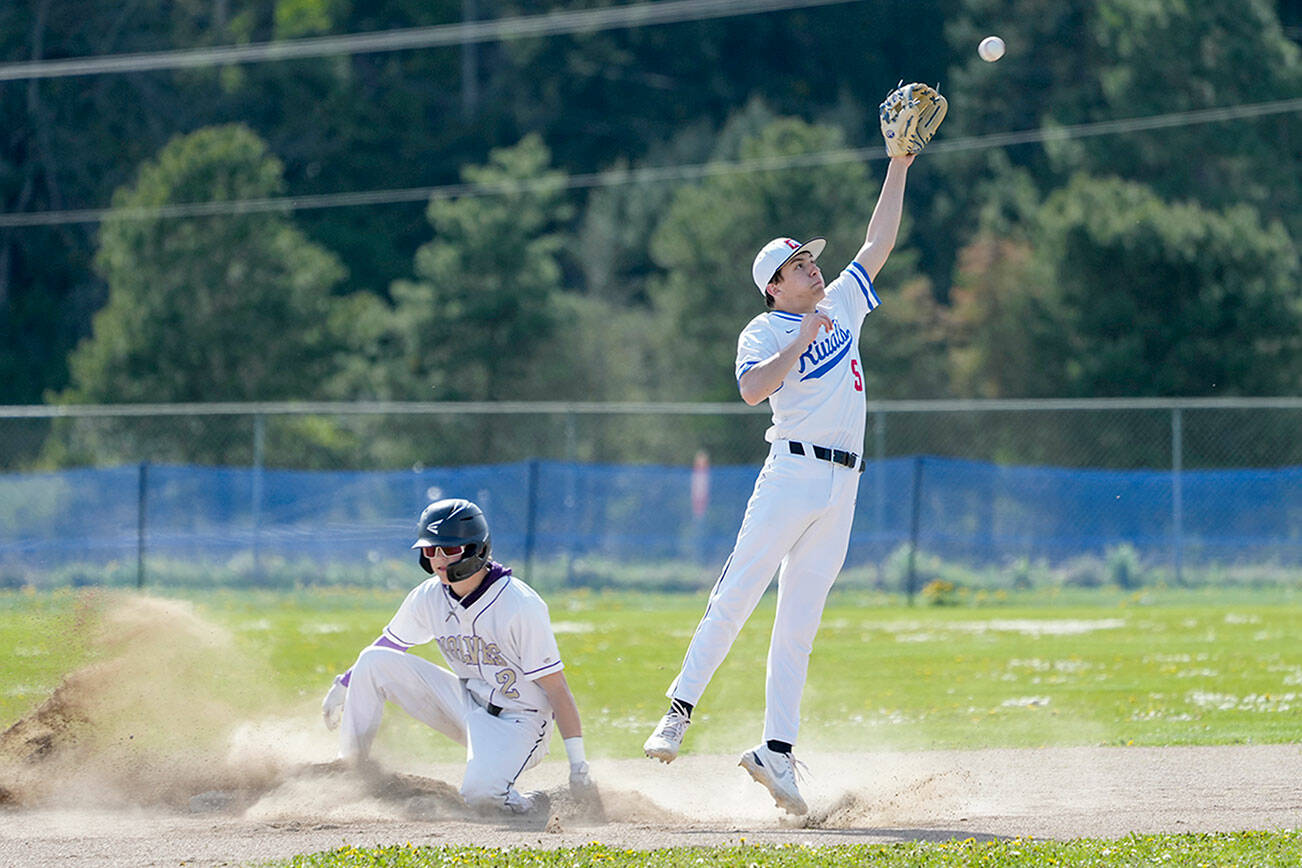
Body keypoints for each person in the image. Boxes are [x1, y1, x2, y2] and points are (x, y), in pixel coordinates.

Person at [643, 153, 917, 815]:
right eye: (799, 266)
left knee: (799, 626)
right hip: (791, 472)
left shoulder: (843, 300)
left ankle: (777, 753)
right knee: (736, 594)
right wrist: (800, 340)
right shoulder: (765, 328)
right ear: (774, 286)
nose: (814, 268)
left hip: (843, 485)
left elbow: (879, 241)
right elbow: (749, 389)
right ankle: (678, 711)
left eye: (812, 261)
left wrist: (899, 162)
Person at [321, 498, 592, 816]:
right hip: (464, 703)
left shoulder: (519, 605)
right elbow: (390, 645)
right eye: (430, 549)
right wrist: (344, 684)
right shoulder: (428, 596)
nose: (437, 558)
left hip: (519, 721)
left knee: (480, 799)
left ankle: (533, 802)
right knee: (373, 660)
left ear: (477, 549)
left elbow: (557, 688)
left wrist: (579, 766)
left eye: (448, 549)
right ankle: (351, 770)